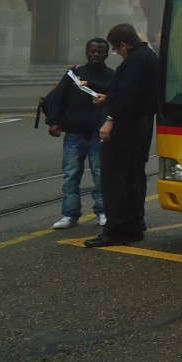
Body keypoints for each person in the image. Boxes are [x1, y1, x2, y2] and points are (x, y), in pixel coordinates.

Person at [85, 23, 158, 248]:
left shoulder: (135, 61)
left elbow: (129, 94)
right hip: (141, 125)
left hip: (126, 127)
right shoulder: (149, 57)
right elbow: (133, 93)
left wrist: (110, 119)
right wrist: (109, 98)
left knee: (115, 179)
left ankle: (115, 229)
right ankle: (134, 226)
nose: (118, 54)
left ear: (124, 45)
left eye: (117, 50)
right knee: (133, 177)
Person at [46, 38, 114, 230]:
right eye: (92, 51)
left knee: (100, 176)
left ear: (106, 54)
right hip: (74, 134)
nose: (96, 54)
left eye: (100, 51)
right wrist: (53, 121)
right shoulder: (74, 73)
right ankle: (70, 214)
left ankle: (103, 212)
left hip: (97, 135)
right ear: (87, 52)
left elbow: (116, 95)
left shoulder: (111, 76)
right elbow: (59, 97)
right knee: (70, 175)